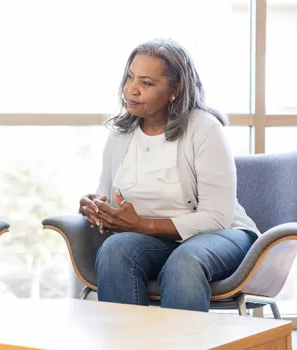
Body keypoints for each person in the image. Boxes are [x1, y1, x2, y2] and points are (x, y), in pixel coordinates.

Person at [78, 39, 259, 312]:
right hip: (158, 242)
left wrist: (140, 225)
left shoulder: (204, 128)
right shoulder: (121, 134)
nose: (131, 89)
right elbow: (111, 200)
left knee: (185, 261)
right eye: (130, 77)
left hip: (223, 234)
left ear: (175, 89)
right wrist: (97, 210)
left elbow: (216, 217)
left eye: (146, 83)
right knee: (115, 250)